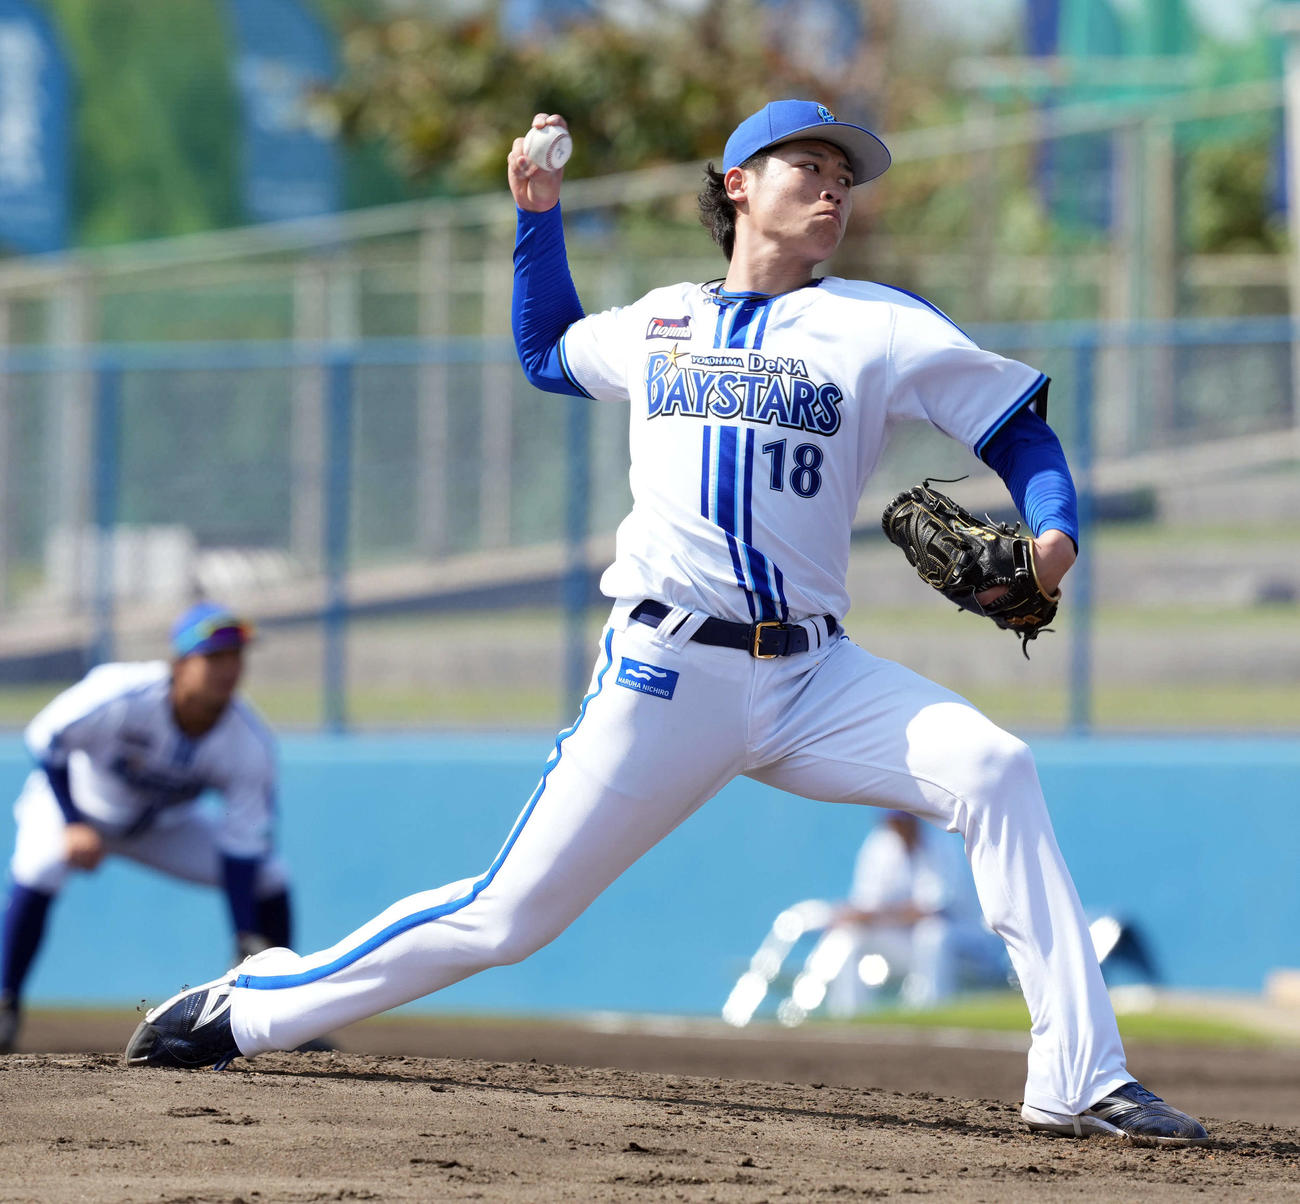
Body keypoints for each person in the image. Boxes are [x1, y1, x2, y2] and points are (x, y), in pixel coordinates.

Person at [125, 100, 1209, 1146]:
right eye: (808, 170)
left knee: (994, 767)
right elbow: (548, 351)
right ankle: (249, 1008)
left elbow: (1017, 429)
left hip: (814, 676)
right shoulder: (659, 320)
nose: (832, 191)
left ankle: (1079, 1077)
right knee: (508, 917)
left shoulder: (876, 326)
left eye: (844, 178)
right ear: (738, 186)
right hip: (665, 670)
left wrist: (1053, 535)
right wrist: (536, 215)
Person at [0, 601, 293, 1054]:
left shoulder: (248, 741)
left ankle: (284, 1011)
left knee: (270, 876)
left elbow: (243, 845)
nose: (229, 668)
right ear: (180, 663)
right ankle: (5, 1003)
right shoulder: (123, 692)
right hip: (75, 803)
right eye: (214, 657)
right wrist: (74, 822)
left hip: (160, 826)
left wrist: (243, 937)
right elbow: (46, 736)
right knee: (38, 869)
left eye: (236, 656)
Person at [815, 811, 1006, 1016]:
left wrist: (876, 915)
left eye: (903, 819)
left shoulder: (942, 842)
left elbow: (932, 911)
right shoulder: (880, 844)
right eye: (893, 820)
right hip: (906, 941)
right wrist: (850, 916)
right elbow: (866, 906)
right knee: (848, 937)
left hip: (966, 943)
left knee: (932, 934)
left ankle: (930, 1014)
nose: (898, 825)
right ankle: (847, 1017)